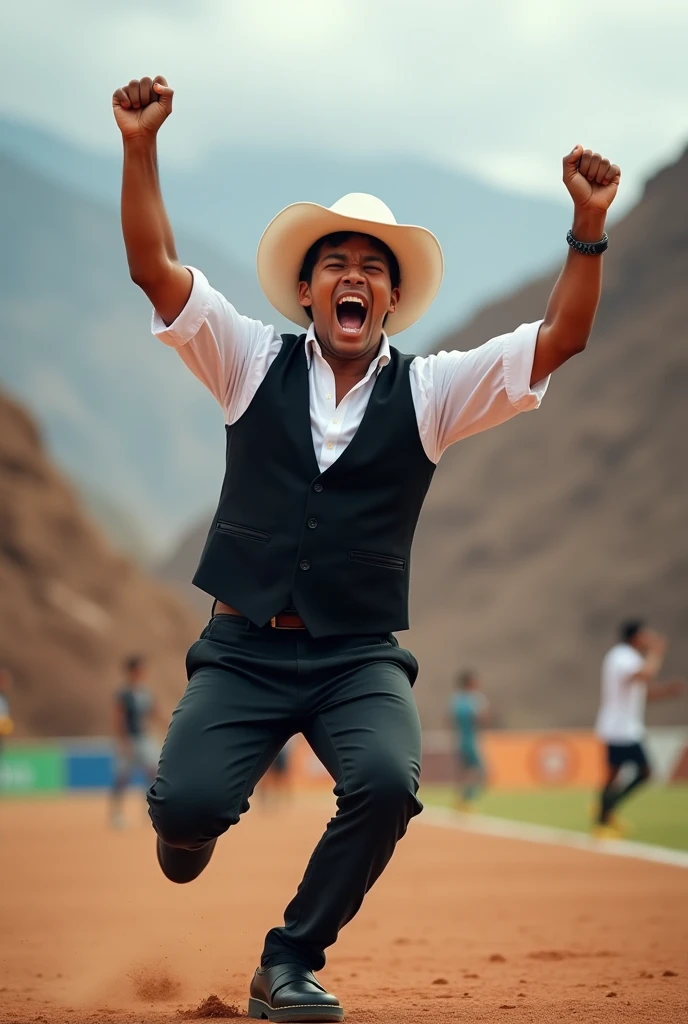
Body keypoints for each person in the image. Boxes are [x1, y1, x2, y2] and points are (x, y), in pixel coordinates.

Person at [113, 72, 620, 1022]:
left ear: (391, 298)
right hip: (246, 647)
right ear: (307, 291)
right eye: (335, 260)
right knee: (184, 811)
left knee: (389, 782)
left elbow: (561, 338)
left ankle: (289, 960)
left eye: (373, 265)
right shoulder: (246, 361)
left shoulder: (431, 393)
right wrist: (141, 148)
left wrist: (586, 227)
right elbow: (156, 270)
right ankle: (185, 827)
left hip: (356, 656)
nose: (354, 274)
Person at [594, 621, 683, 837]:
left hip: (621, 726)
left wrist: (667, 692)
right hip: (621, 729)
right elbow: (644, 676)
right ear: (635, 637)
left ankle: (604, 817)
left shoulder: (623, 657)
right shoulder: (623, 657)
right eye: (646, 636)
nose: (649, 639)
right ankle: (605, 813)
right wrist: (657, 652)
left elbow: (641, 694)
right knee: (645, 772)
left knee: (613, 776)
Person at [111, 655, 161, 829]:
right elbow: (119, 717)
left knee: (154, 773)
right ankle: (116, 814)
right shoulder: (123, 693)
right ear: (132, 671)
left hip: (144, 738)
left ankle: (150, 811)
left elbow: (154, 713)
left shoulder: (145, 692)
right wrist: (123, 741)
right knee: (122, 777)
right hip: (130, 739)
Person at [449, 670, 489, 810]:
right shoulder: (474, 699)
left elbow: (450, 718)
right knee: (479, 771)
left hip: (461, 739)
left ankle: (461, 800)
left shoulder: (456, 699)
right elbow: (481, 719)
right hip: (470, 739)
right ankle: (466, 799)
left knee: (465, 771)